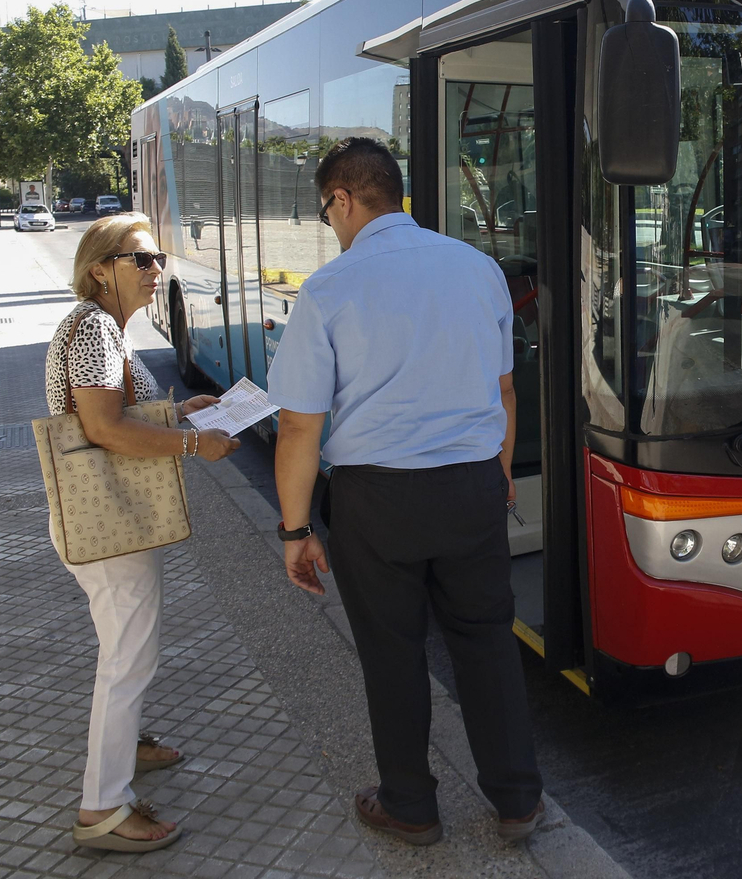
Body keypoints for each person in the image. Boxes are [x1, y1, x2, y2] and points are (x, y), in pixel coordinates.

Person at [269, 137, 543, 847]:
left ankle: (411, 807)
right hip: (474, 484)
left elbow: (300, 428)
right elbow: (506, 390)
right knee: (485, 642)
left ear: (343, 199)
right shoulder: (479, 269)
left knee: (393, 654)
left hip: (376, 501)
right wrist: (499, 476)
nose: (331, 225)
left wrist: (295, 533)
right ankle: (517, 800)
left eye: (327, 210)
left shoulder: (329, 289)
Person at [45, 213, 239, 853]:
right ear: (100, 270)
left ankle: (127, 744)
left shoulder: (96, 328)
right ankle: (102, 808)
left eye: (159, 258)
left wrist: (179, 408)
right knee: (128, 661)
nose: (158, 271)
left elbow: (113, 410)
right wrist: (190, 441)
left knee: (122, 652)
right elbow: (102, 429)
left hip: (108, 521)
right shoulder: (95, 330)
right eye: (142, 260)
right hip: (113, 528)